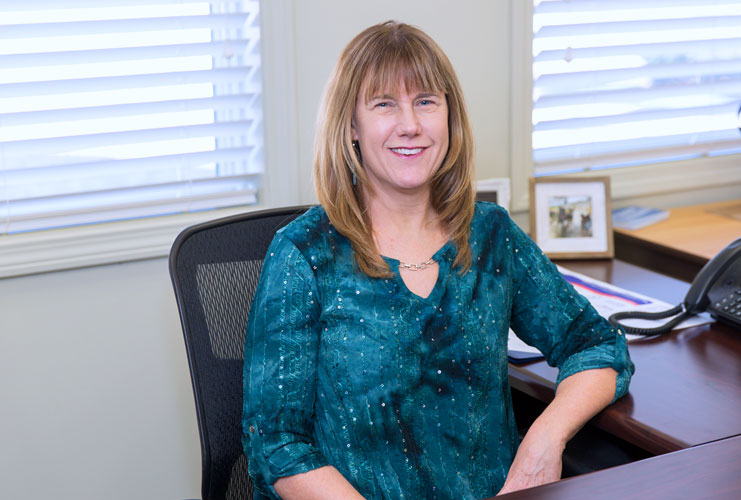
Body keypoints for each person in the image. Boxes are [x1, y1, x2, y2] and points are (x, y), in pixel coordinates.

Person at [241, 20, 634, 500]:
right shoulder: (303, 254)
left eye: (426, 101)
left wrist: (544, 438)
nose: (410, 124)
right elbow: (277, 446)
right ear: (351, 127)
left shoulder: (489, 235)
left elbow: (596, 346)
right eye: (384, 104)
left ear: (449, 118)